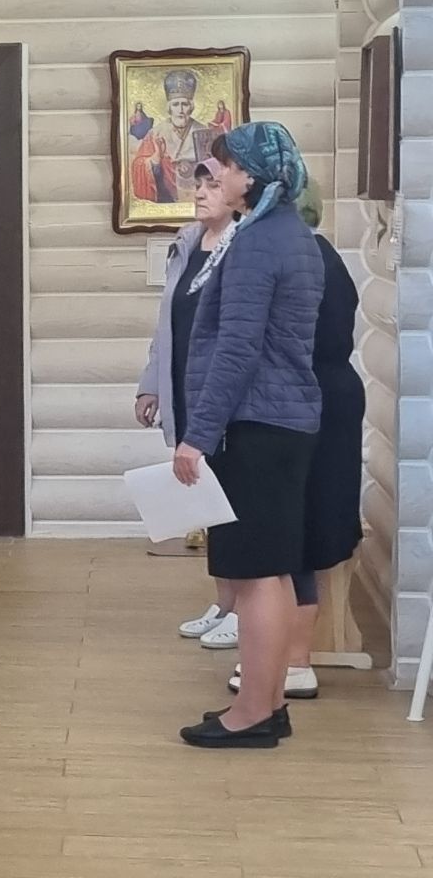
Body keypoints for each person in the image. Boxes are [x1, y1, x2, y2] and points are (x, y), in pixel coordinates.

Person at [173, 122, 323, 748]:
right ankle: (269, 702)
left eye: (227, 166)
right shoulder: (289, 233)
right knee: (276, 572)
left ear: (253, 176)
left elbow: (237, 349)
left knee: (258, 575)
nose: (219, 175)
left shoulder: (259, 242)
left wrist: (197, 436)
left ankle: (253, 714)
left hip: (255, 425)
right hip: (282, 422)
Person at [223, 178, 364, 701]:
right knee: (298, 525)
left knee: (293, 530)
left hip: (302, 399)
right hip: (326, 395)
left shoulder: (293, 257)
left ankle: (294, 661)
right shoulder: (321, 254)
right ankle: (283, 656)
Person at [136, 158, 240, 650]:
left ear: (238, 192)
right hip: (184, 386)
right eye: (197, 184)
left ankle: (246, 608)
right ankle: (224, 601)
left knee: (237, 502)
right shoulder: (186, 243)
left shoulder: (243, 246)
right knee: (209, 500)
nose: (200, 193)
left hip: (223, 393)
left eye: (212, 184)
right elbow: (169, 325)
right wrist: (151, 384)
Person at [130, 70, 212, 205]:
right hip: (166, 197)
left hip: (197, 196)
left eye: (184, 104)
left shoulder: (204, 132)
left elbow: (215, 167)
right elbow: (138, 165)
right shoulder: (155, 133)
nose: (180, 110)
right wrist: (155, 159)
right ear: (169, 108)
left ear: (191, 107)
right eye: (175, 104)